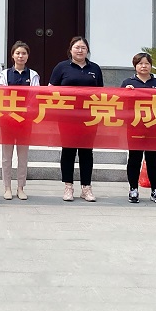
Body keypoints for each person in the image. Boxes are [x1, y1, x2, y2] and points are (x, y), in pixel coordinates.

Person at [49, 36, 104, 203]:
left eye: (83, 48)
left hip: (89, 117)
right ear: (70, 50)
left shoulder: (95, 68)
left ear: (87, 50)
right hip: (67, 117)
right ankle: (68, 187)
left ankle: (86, 188)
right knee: (68, 151)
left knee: (87, 152)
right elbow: (50, 90)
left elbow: (101, 93)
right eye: (77, 47)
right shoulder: (61, 67)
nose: (80, 50)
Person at [122, 52, 156, 205]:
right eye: (140, 63)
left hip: (154, 127)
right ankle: (133, 189)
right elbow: (119, 103)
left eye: (146, 63)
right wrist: (125, 93)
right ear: (135, 66)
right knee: (134, 159)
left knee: (153, 160)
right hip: (135, 126)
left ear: (151, 65)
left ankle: (155, 190)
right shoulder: (128, 83)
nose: (144, 66)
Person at [0, 40, 40, 200]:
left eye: (23, 53)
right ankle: (7, 187)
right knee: (6, 156)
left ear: (27, 56)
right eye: (18, 53)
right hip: (7, 120)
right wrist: (9, 112)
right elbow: (1, 95)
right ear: (12, 55)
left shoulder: (33, 75)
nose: (20, 56)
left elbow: (34, 96)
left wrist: (24, 112)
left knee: (23, 156)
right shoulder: (4, 74)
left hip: (25, 121)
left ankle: (20, 187)